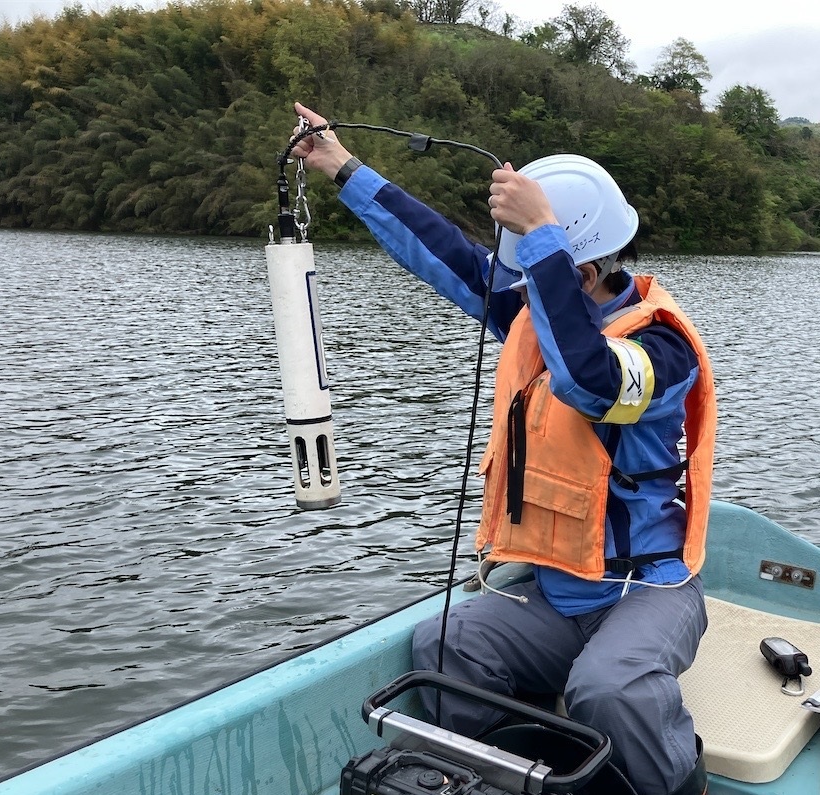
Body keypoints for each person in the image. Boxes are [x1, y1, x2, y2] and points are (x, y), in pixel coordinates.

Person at [289, 102, 716, 795]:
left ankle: (668, 784)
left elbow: (591, 379)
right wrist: (343, 168)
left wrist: (542, 234)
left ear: (585, 271)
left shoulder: (664, 348)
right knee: (446, 644)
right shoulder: (535, 313)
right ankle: (501, 775)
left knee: (609, 688)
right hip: (558, 590)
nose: (524, 285)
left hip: (649, 590)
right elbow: (444, 254)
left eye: (543, 268)